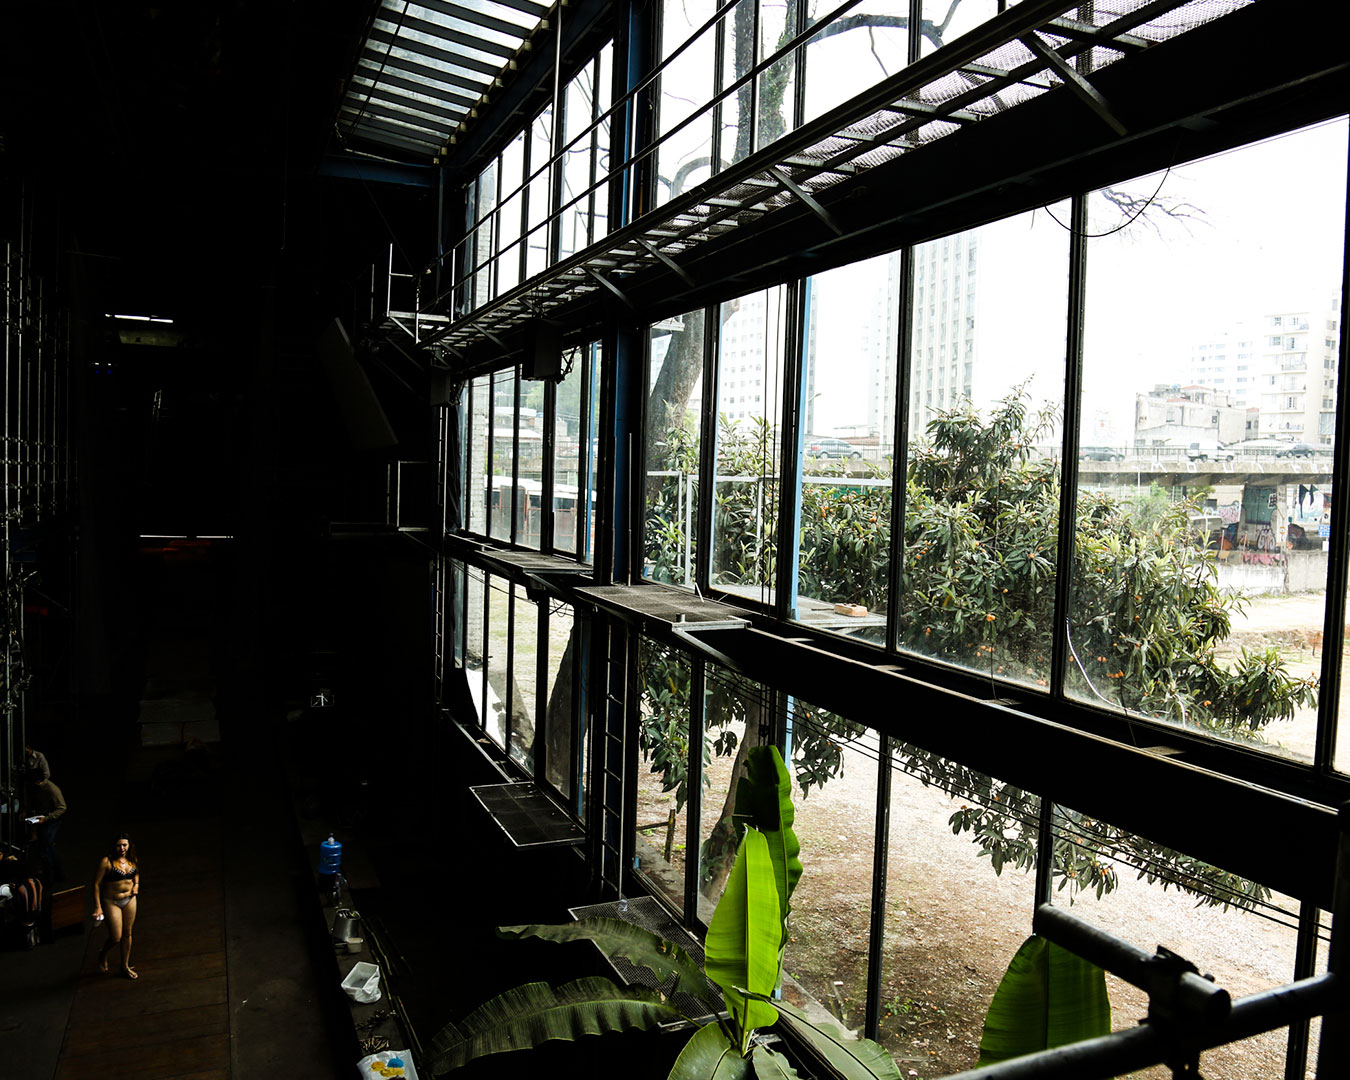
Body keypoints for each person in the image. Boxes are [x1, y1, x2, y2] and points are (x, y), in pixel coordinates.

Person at [92, 834, 140, 979]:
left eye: (125, 845)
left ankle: (124, 966)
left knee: (128, 933)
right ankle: (103, 954)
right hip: (112, 901)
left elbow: (136, 874)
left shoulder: (132, 859)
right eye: (119, 845)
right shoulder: (106, 862)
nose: (122, 848)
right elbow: (96, 884)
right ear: (114, 846)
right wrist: (97, 906)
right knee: (116, 937)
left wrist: (136, 884)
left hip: (130, 899)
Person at [27, 773, 67, 882]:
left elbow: (62, 808)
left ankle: (54, 875)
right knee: (45, 847)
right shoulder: (38, 788)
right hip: (42, 818)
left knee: (46, 848)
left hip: (51, 820)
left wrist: (47, 818)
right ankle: (54, 874)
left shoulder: (52, 789)